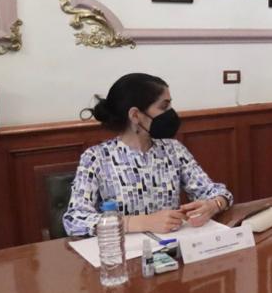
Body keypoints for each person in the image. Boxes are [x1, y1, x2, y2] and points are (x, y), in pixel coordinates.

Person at [63, 73, 233, 237]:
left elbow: (215, 191)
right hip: (123, 254)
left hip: (173, 248)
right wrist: (142, 222)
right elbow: (75, 220)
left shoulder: (173, 149)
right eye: (164, 106)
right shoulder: (96, 157)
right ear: (135, 115)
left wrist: (214, 204)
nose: (171, 113)